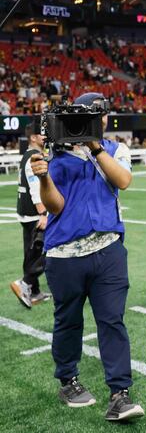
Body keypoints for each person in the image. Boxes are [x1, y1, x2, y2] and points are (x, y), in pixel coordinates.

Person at [29, 92, 144, 420]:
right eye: (87, 116)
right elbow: (56, 207)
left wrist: (94, 146)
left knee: (113, 320)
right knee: (68, 320)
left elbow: (123, 180)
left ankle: (120, 393)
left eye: (99, 115)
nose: (96, 120)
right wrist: (43, 177)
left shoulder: (114, 149)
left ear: (106, 117)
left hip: (108, 249)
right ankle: (68, 379)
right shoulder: (57, 154)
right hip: (65, 253)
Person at [10, 117, 52, 308]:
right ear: (34, 137)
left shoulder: (27, 154)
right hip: (35, 214)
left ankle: (33, 292)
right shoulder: (35, 157)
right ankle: (26, 283)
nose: (45, 137)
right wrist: (43, 214)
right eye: (42, 134)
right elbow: (36, 189)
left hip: (25, 213)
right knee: (44, 253)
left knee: (30, 252)